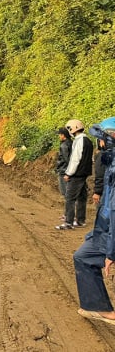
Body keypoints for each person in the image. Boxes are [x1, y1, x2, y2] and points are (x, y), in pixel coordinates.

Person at [73, 117, 115, 324]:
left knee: (84, 257)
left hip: (109, 231)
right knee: (83, 255)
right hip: (104, 228)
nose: (99, 142)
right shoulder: (108, 161)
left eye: (102, 139)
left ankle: (99, 308)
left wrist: (111, 252)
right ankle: (94, 306)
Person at [56, 119, 93, 230]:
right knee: (82, 197)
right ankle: (81, 220)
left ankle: (68, 222)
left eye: (70, 129)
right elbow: (90, 159)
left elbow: (75, 159)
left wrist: (68, 173)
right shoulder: (88, 141)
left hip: (76, 174)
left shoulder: (79, 141)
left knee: (70, 198)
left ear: (74, 128)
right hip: (84, 173)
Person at [56, 127, 72, 219]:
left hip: (64, 171)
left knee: (65, 193)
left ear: (63, 135)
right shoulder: (71, 143)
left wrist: (68, 172)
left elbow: (67, 159)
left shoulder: (64, 145)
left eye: (59, 134)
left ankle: (68, 214)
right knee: (68, 193)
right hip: (67, 171)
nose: (59, 136)